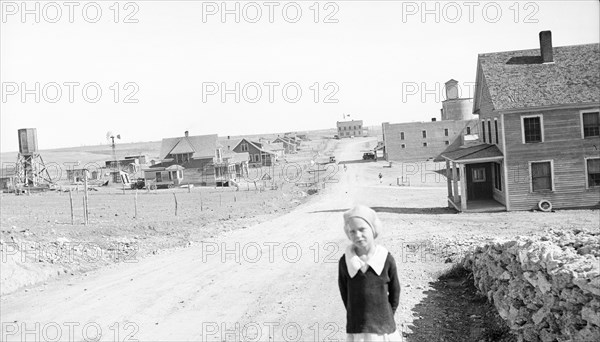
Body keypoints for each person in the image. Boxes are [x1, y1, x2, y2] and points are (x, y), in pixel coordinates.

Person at [338, 205, 401, 342]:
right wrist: (355, 315)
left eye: (362, 229)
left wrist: (386, 316)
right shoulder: (346, 262)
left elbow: (395, 293)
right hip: (359, 329)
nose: (358, 235)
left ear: (373, 229)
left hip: (383, 329)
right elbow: (345, 294)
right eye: (352, 231)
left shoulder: (386, 259)